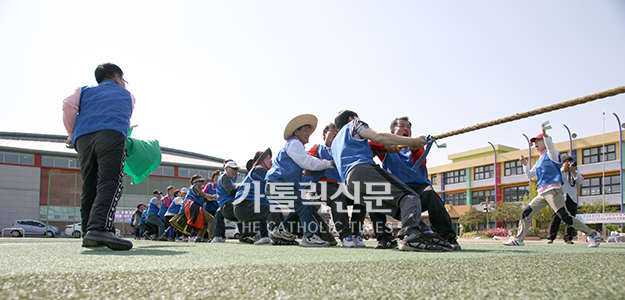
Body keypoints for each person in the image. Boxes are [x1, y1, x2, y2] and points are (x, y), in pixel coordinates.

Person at [330, 110, 450, 252]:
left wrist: (387, 148)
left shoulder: (336, 142)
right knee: (410, 197)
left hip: (350, 186)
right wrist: (414, 141)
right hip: (362, 170)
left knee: (396, 209)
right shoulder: (355, 124)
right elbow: (379, 137)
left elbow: (371, 146)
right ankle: (411, 236)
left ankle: (425, 233)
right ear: (351, 118)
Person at [62, 63, 134, 250]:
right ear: (117, 78)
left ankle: (89, 231)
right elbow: (124, 115)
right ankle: (100, 228)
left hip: (83, 139)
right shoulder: (127, 95)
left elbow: (68, 105)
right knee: (110, 181)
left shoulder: (83, 90)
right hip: (111, 134)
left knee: (90, 183)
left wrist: (71, 134)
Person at [369, 116, 461, 251]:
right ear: (392, 131)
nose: (406, 129)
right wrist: (385, 145)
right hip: (397, 192)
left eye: (408, 127)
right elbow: (370, 145)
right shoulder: (387, 149)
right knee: (373, 197)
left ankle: (447, 236)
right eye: (402, 126)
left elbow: (421, 162)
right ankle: (384, 238)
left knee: (430, 194)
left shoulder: (416, 146)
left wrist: (415, 147)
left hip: (418, 190)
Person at [504, 127, 601, 247]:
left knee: (565, 217)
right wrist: (525, 164)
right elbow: (530, 174)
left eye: (538, 141)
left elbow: (550, 147)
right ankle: (519, 239)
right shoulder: (539, 160)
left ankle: (592, 234)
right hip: (542, 193)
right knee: (525, 213)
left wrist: (545, 135)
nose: (535, 144)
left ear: (545, 141)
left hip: (553, 190)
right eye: (534, 142)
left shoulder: (552, 154)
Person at [265, 114, 337, 247]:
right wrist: (330, 163)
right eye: (305, 129)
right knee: (303, 204)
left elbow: (308, 162)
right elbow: (308, 162)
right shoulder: (294, 143)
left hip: (278, 185)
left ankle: (281, 230)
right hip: (277, 184)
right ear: (296, 132)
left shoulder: (297, 146)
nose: (308, 132)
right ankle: (309, 236)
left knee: (301, 206)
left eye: (310, 130)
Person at [307, 123, 366, 248]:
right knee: (338, 197)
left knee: (362, 197)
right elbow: (307, 161)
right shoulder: (318, 148)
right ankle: (345, 235)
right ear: (324, 134)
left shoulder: (343, 151)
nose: (335, 133)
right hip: (323, 185)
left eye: (337, 131)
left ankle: (355, 234)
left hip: (343, 186)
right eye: (333, 130)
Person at [234, 148, 288, 245]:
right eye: (268, 158)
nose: (271, 160)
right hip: (243, 206)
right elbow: (275, 181)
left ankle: (259, 236)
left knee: (269, 209)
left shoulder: (257, 172)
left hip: (242, 208)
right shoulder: (259, 169)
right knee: (272, 209)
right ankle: (277, 236)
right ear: (261, 160)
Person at [544, 154, 584, 244]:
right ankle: (550, 237)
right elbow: (553, 180)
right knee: (556, 217)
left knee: (571, 218)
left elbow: (580, 182)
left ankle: (568, 238)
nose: (569, 165)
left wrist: (573, 172)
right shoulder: (558, 171)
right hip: (560, 197)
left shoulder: (575, 172)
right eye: (567, 163)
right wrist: (562, 169)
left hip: (572, 198)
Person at [212, 161, 242, 243]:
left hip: (223, 206)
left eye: (236, 169)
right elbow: (230, 191)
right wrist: (241, 188)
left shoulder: (224, 178)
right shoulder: (225, 177)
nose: (235, 171)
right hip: (228, 205)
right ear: (225, 168)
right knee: (244, 213)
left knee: (218, 213)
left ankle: (218, 236)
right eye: (232, 168)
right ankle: (246, 235)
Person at [183, 175, 216, 243]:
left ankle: (199, 237)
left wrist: (208, 199)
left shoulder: (193, 189)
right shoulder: (195, 186)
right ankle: (212, 238)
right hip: (193, 205)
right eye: (200, 181)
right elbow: (200, 194)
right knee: (211, 219)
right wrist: (212, 196)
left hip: (192, 206)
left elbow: (201, 199)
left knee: (205, 221)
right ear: (196, 181)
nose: (201, 183)